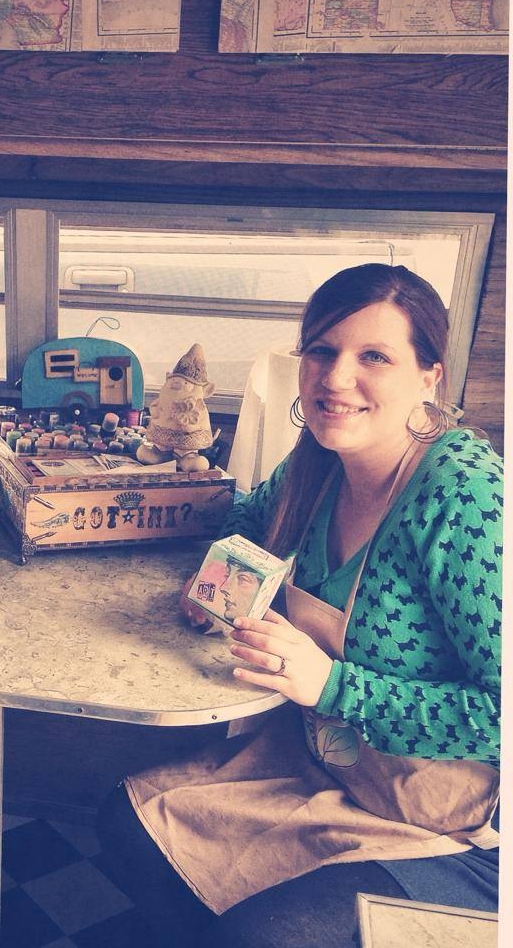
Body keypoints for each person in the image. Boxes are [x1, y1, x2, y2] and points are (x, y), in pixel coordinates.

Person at [97, 264, 501, 948]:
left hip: (452, 823)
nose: (336, 378)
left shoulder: (466, 500)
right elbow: (252, 518)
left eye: (374, 356)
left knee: (265, 935)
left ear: (429, 376)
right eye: (322, 350)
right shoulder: (318, 460)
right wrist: (217, 578)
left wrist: (334, 686)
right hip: (326, 762)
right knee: (126, 825)